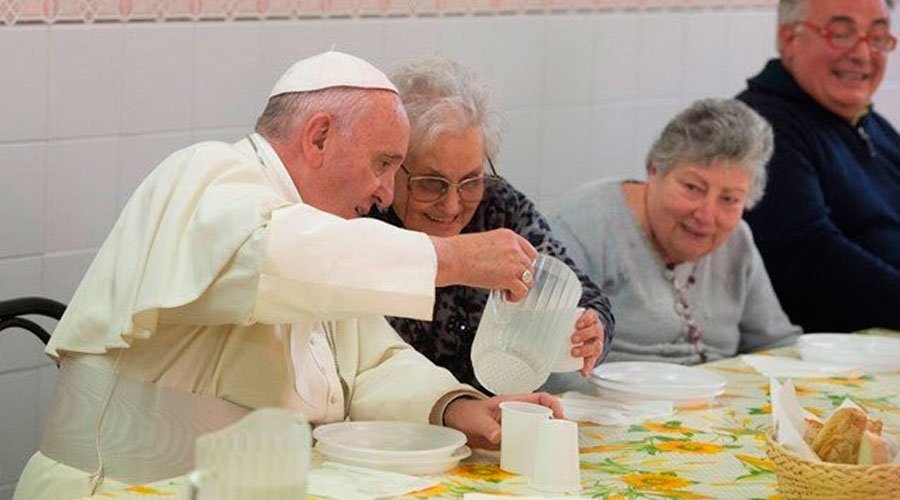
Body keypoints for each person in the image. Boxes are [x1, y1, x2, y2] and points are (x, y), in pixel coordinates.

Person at [14, 51, 562, 500]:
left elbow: (369, 364)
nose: (386, 195)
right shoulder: (207, 173)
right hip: (123, 488)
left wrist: (461, 408)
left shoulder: (325, 237)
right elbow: (268, 257)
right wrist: (454, 259)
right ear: (318, 136)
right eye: (384, 164)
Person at [368, 58, 615, 394]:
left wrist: (591, 326)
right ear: (391, 165)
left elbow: (575, 286)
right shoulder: (363, 217)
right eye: (431, 183)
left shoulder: (498, 208)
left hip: (491, 420)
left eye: (471, 181)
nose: (452, 205)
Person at [551, 98, 801, 365]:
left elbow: (776, 345)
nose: (706, 215)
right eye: (693, 187)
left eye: (729, 199)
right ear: (654, 170)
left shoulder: (737, 239)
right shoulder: (585, 224)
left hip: (715, 402)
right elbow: (549, 366)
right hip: (609, 402)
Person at [736, 0, 900, 332]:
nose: (863, 53)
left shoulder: (869, 124)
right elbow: (810, 258)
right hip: (825, 353)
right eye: (841, 34)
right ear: (789, 38)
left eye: (879, 37)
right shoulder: (761, 126)